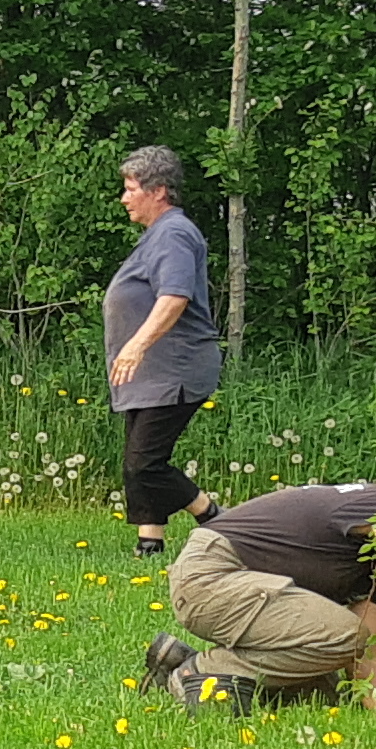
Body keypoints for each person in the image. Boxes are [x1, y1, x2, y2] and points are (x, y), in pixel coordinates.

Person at [141, 449, 376, 716]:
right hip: (211, 574)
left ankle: (177, 661)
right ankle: (197, 673)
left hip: (235, 585)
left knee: (321, 691)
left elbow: (364, 644)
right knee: (342, 637)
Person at [103, 147, 231, 557]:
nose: (124, 198)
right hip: (151, 372)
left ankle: (214, 516)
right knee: (137, 460)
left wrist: (135, 347)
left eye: (130, 189)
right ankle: (150, 543)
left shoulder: (174, 233)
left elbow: (174, 297)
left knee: (144, 464)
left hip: (174, 368)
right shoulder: (160, 234)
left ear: (158, 191)